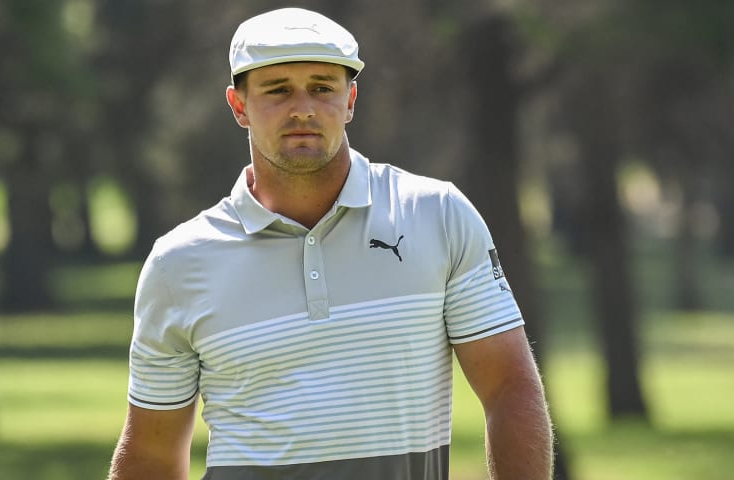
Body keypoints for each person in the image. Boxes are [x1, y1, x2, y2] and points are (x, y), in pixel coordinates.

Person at [109, 7, 553, 480]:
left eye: (322, 88)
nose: (302, 108)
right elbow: (150, 458)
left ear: (350, 100)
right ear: (239, 106)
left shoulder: (436, 215)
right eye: (278, 90)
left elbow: (509, 388)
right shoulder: (179, 263)